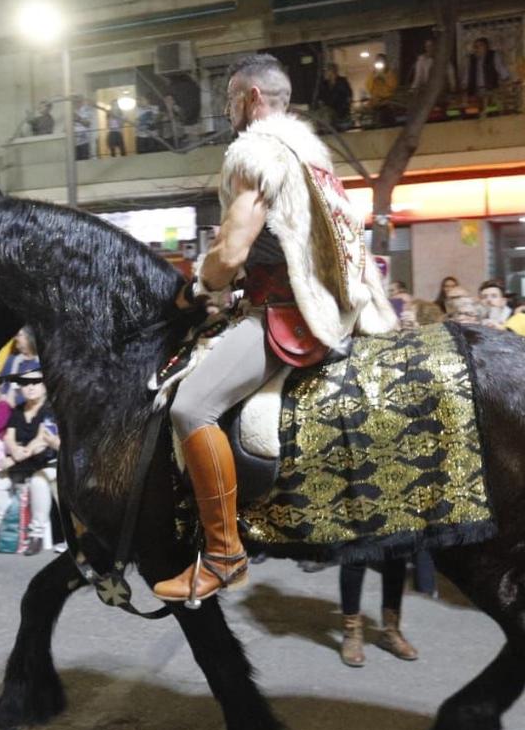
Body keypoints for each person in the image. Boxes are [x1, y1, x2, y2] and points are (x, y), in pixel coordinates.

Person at [160, 52, 397, 603]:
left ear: (249, 99)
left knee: (189, 408)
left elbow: (230, 250)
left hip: (290, 313)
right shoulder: (311, 156)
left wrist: (200, 286)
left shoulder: (256, 152)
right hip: (334, 306)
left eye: (227, 101)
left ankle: (223, 555)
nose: (226, 113)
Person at [0, 370, 61, 554]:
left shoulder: (51, 408)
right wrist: (13, 450)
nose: (30, 387)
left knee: (38, 481)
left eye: (35, 383)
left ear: (44, 386)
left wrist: (16, 456)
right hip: (22, 461)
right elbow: (8, 437)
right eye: (25, 383)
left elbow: (42, 440)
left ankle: (37, 534)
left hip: (46, 461)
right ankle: (7, 524)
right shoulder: (18, 410)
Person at [318, 59, 353, 129]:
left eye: (327, 71)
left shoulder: (342, 81)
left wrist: (346, 105)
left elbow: (349, 94)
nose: (326, 73)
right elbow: (321, 97)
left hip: (341, 111)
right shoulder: (324, 84)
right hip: (329, 112)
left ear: (332, 71)